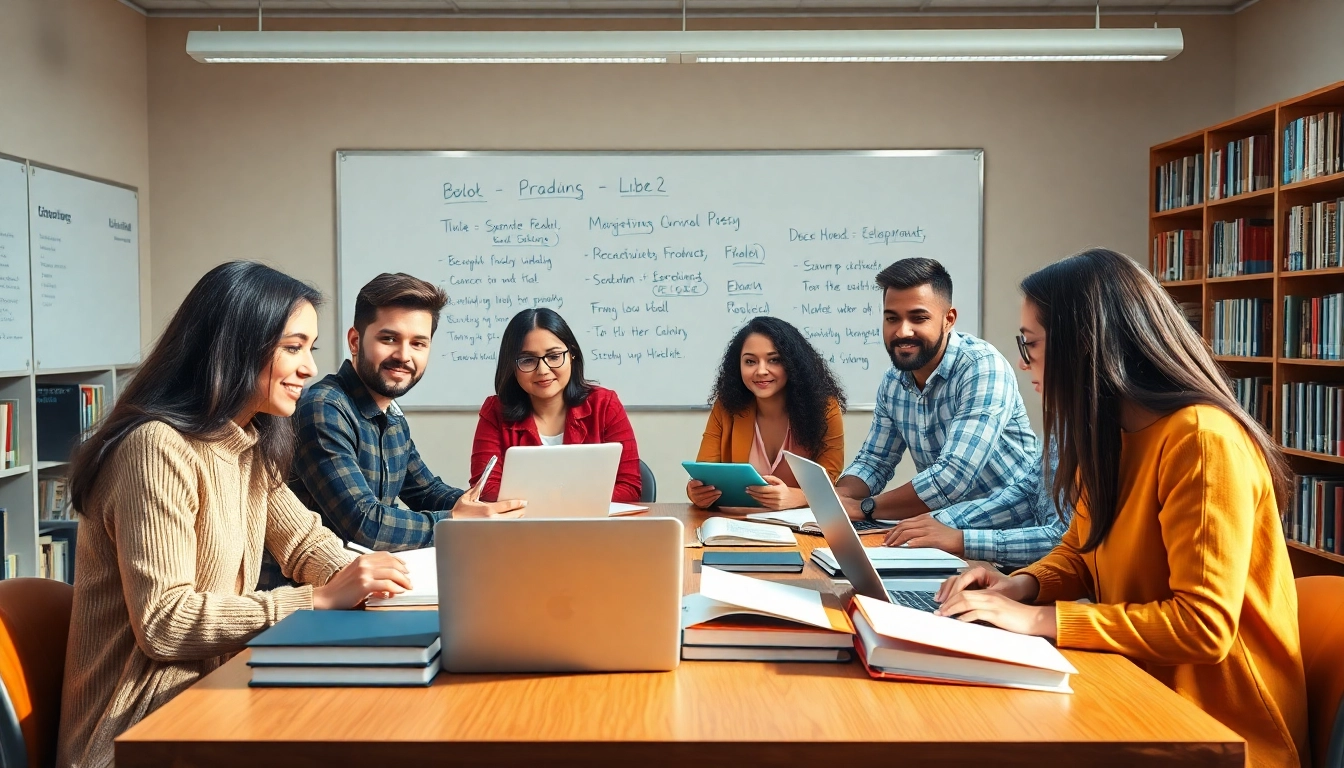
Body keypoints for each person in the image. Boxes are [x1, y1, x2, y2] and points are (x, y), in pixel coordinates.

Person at [935, 248, 1308, 768]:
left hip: (1222, 732)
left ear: (1082, 344)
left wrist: (1039, 619)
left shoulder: (1201, 440)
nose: (1022, 362)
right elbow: (1080, 552)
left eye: (1030, 343)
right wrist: (1018, 586)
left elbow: (1202, 626)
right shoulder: (1110, 433)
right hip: (1138, 690)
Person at [56, 262, 413, 768]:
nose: (310, 368)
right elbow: (164, 621)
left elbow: (306, 544)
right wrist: (318, 600)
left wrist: (383, 586)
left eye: (310, 348)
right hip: (138, 729)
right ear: (237, 346)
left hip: (216, 699)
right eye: (293, 348)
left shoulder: (248, 444)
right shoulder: (155, 448)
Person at [275, 273, 523, 587]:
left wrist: (492, 508)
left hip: (370, 588)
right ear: (355, 341)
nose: (404, 356)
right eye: (389, 339)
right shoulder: (323, 407)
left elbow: (426, 491)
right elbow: (364, 524)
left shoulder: (391, 415)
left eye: (418, 343)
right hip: (310, 599)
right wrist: (456, 521)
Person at [834, 257, 1046, 560]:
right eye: (892, 318)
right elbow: (874, 462)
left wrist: (866, 508)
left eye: (918, 318)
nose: (902, 331)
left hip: (1013, 543)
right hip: (944, 538)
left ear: (949, 319)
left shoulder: (982, 367)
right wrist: (838, 501)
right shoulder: (893, 382)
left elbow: (953, 476)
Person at [471, 308, 641, 502]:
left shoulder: (605, 404)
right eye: (527, 360)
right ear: (511, 366)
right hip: (524, 523)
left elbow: (629, 486)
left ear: (572, 355)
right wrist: (568, 499)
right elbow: (484, 489)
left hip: (590, 521)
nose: (543, 370)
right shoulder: (495, 411)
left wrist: (554, 501)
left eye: (553, 356)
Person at [688, 315, 845, 510]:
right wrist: (696, 492)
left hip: (801, 524)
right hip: (737, 521)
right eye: (750, 361)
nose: (761, 370)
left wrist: (799, 497)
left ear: (793, 363)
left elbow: (829, 479)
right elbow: (705, 475)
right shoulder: (726, 406)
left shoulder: (824, 408)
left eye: (774, 360)